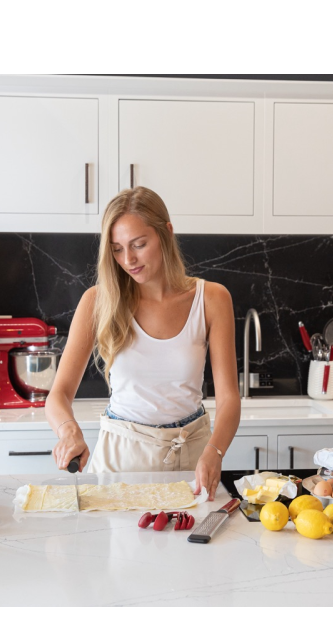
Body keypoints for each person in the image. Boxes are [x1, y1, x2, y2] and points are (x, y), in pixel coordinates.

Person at [45, 187, 241, 500]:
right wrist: (69, 431)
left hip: (193, 457)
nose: (128, 259)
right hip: (122, 459)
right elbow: (58, 395)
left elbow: (230, 397)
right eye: (117, 249)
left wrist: (215, 452)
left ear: (167, 233)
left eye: (139, 244)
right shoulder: (98, 301)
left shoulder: (212, 299)